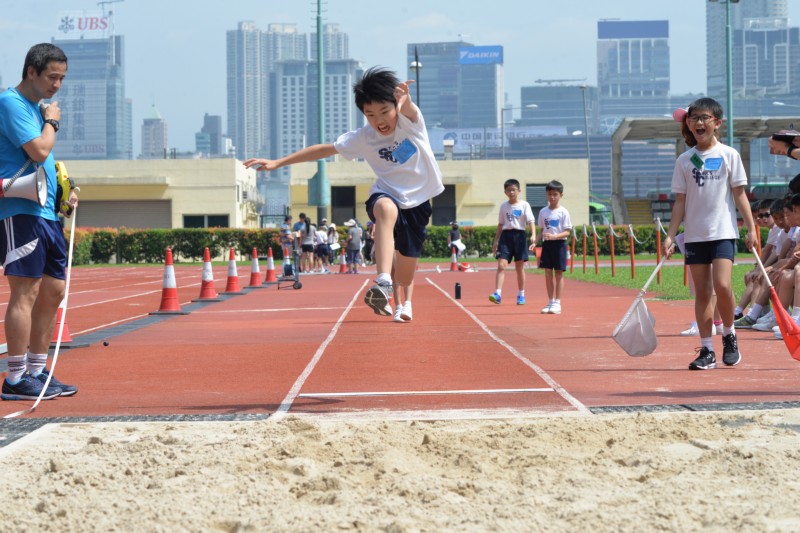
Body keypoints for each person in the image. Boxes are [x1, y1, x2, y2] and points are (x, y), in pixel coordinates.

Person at [244, 68, 444, 317]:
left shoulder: (411, 124)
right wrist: (278, 162)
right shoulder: (364, 137)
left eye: (384, 112)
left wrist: (406, 100)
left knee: (405, 274)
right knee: (385, 208)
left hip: (418, 204)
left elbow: (409, 108)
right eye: (370, 115)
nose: (379, 121)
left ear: (395, 106)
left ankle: (393, 273)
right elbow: (323, 150)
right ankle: (382, 281)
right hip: (386, 194)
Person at [0, 43, 78, 401]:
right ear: (31, 71)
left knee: (53, 292)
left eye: (61, 78)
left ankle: (36, 370)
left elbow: (47, 163)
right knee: (26, 291)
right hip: (21, 210)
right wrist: (52, 120)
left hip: (46, 211)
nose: (57, 85)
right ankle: (15, 377)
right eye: (52, 77)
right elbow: (39, 151)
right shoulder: (12, 103)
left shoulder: (33, 108)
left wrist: (66, 191)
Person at [663, 97, 757, 371]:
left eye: (704, 118)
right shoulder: (684, 160)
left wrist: (751, 228)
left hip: (723, 232)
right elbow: (680, 201)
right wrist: (671, 235)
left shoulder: (729, 155)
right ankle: (706, 349)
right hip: (694, 236)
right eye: (694, 118)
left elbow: (740, 195)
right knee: (702, 292)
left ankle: (729, 334)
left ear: (717, 123)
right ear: (689, 125)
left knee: (723, 286)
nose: (698, 123)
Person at [488, 178, 536, 306]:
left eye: (514, 190)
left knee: (519, 268)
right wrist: (495, 241)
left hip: (520, 235)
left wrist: (533, 235)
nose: (511, 192)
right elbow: (500, 224)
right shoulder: (504, 206)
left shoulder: (524, 205)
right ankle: (497, 294)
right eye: (509, 190)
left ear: (519, 190)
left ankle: (521, 294)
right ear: (505, 192)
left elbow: (531, 221)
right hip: (506, 236)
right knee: (501, 265)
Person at [536, 180, 572, 314]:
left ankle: (558, 302)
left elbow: (567, 231)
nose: (552, 197)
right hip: (547, 245)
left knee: (558, 273)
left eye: (555, 194)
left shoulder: (563, 212)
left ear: (560, 195)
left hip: (560, 245)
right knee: (547, 273)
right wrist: (535, 242)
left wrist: (555, 236)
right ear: (546, 194)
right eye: (550, 194)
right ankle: (550, 301)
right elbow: (541, 230)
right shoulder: (543, 212)